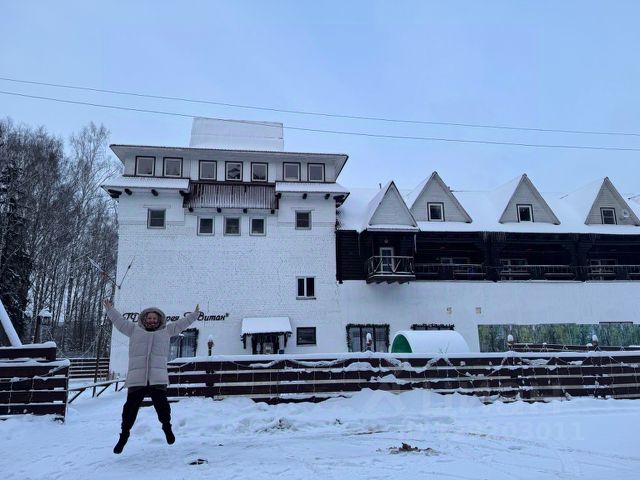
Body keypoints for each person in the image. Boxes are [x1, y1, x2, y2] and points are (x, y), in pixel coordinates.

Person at [103, 298, 200, 454]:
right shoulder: (133, 330)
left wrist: (194, 315)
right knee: (129, 409)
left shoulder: (166, 331)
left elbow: (181, 324)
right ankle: (124, 435)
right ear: (144, 319)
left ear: (159, 320)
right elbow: (119, 321)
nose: (152, 321)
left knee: (163, 407)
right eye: (149, 318)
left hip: (157, 378)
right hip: (137, 378)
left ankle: (167, 428)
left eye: (155, 318)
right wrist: (109, 309)